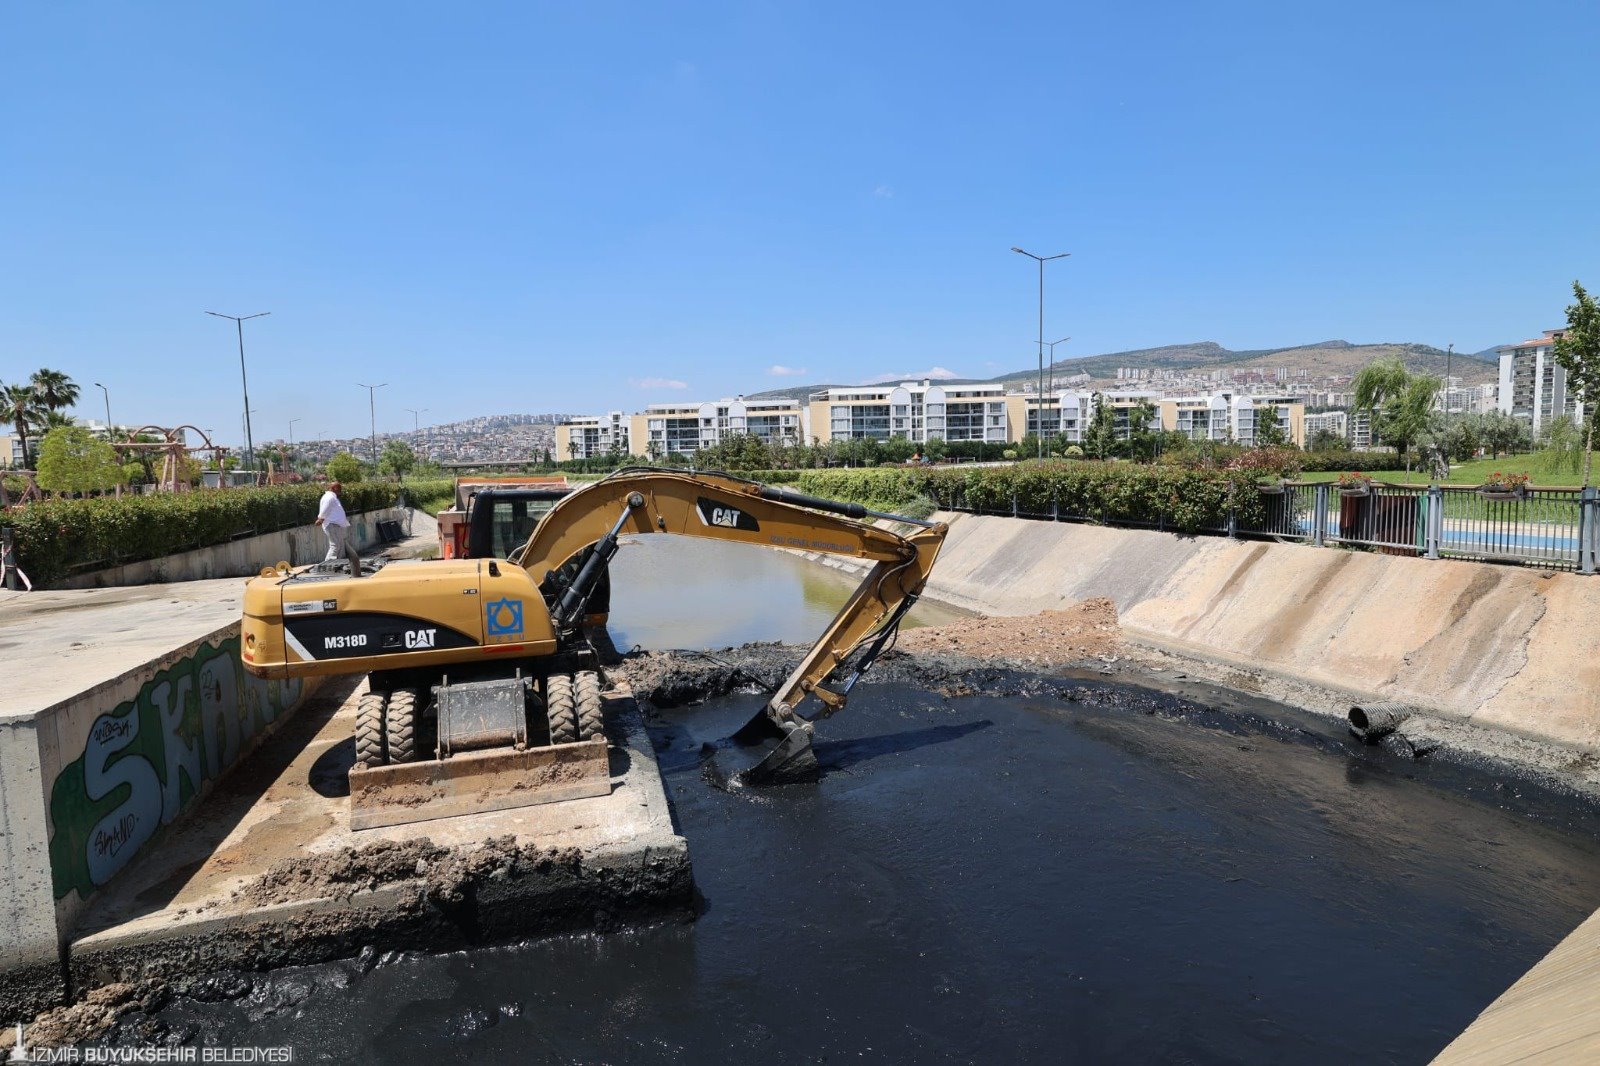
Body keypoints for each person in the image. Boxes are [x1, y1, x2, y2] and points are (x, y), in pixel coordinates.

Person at [315, 481, 363, 575]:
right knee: (335, 545)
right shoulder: (329, 497)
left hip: (335, 525)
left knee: (339, 545)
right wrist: (321, 518)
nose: (340, 492)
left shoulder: (332, 497)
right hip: (331, 524)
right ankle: (327, 565)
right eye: (339, 489)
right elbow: (326, 508)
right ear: (333, 489)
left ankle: (337, 564)